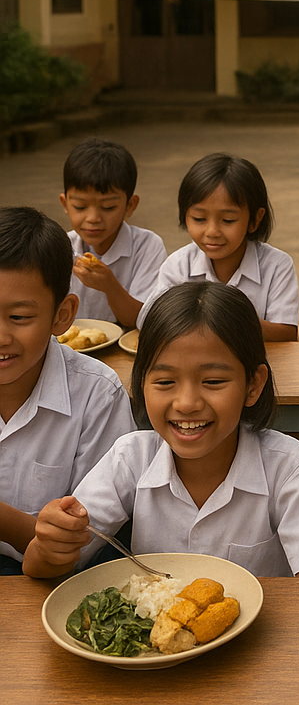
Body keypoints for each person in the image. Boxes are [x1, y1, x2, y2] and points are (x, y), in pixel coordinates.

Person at [22, 283, 299, 579]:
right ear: (141, 384)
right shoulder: (131, 458)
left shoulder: (289, 468)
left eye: (213, 382)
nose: (187, 403)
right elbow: (44, 567)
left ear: (253, 385)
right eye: (165, 382)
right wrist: (52, 542)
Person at [0, 207, 134, 574]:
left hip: (56, 583)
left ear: (63, 315)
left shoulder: (98, 396)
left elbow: (81, 544)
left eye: (19, 318)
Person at [137, 153, 299, 341]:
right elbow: (149, 321)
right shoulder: (179, 265)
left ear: (255, 219)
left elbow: (287, 334)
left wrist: (230, 319)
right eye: (199, 219)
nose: (212, 231)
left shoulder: (277, 265)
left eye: (228, 220)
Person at [60, 136, 166, 329]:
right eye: (80, 206)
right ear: (65, 204)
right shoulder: (61, 247)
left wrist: (110, 286)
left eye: (108, 207)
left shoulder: (147, 245)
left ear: (130, 206)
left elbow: (142, 321)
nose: (93, 218)